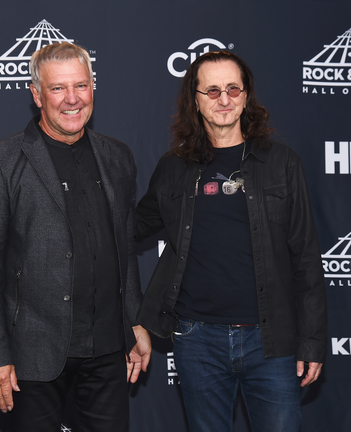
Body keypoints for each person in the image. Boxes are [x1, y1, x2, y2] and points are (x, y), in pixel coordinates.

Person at [135, 51, 327, 432]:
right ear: (195, 100)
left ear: (246, 95)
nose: (224, 99)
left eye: (233, 89)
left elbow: (305, 256)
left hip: (270, 341)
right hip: (196, 340)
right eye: (212, 91)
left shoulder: (282, 163)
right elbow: (127, 229)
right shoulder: (172, 168)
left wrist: (312, 341)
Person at [0, 42, 151, 432]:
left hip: (107, 351)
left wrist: (134, 322)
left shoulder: (118, 157)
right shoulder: (0, 162)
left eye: (81, 86)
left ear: (93, 88)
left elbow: (124, 249)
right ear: (36, 95)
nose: (72, 99)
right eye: (57, 88)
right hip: (33, 355)